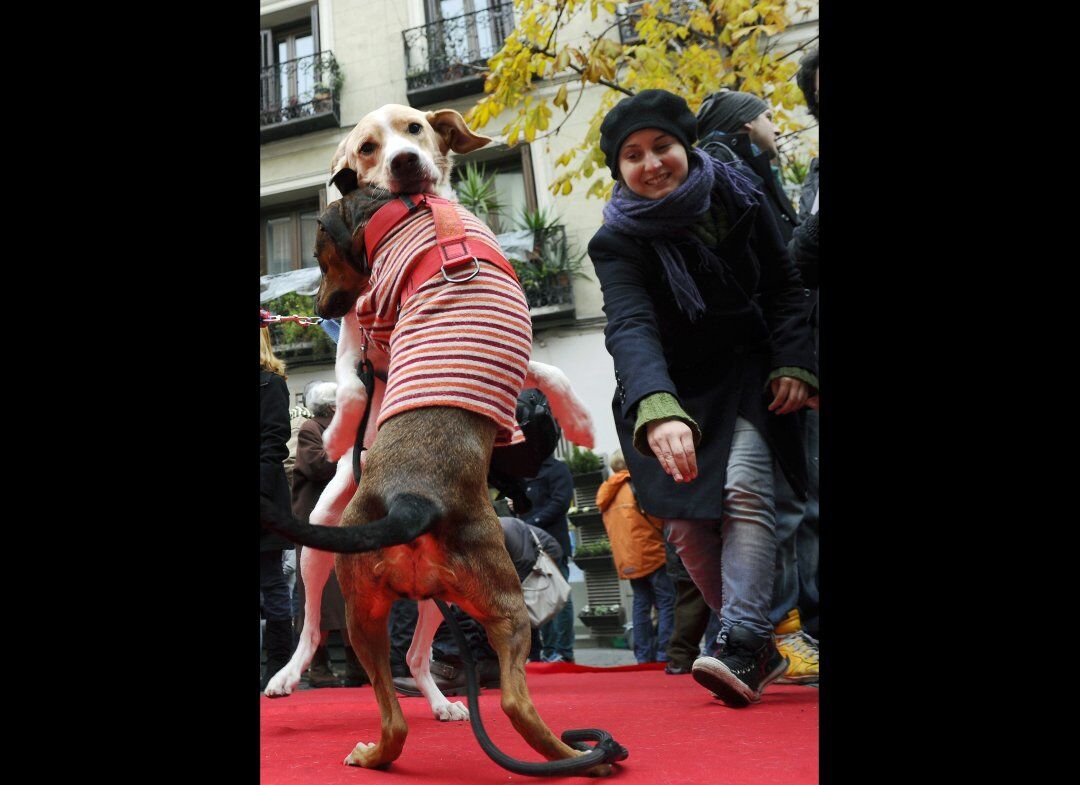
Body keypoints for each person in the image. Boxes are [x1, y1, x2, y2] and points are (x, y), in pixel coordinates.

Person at [588, 89, 817, 707]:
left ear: (685, 145)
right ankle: (758, 644)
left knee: (744, 486)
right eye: (632, 155)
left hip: (747, 372)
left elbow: (786, 287)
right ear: (619, 170)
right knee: (687, 528)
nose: (651, 163)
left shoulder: (739, 193)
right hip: (667, 387)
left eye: (662, 146)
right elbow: (630, 325)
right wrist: (658, 408)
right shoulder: (615, 242)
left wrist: (795, 360)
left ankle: (741, 637)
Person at [696, 84, 821, 680]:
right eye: (767, 115)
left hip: (775, 362)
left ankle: (761, 632)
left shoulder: (746, 167)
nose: (777, 123)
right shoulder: (734, 170)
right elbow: (778, 276)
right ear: (745, 125)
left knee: (783, 497)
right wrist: (789, 360)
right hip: (768, 368)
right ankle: (770, 634)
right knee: (782, 498)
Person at [291, 380, 368, 688]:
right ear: (334, 406)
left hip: (347, 522)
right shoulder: (312, 428)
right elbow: (317, 466)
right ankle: (318, 665)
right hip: (318, 525)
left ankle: (356, 663)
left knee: (353, 594)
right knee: (318, 598)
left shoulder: (352, 431)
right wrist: (353, 453)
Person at [596, 449, 675, 664]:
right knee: (666, 601)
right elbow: (658, 518)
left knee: (641, 603)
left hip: (626, 558)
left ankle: (643, 655)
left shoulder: (606, 493)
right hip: (651, 552)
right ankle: (664, 652)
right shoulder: (636, 484)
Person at [695, 90, 799, 243]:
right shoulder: (726, 175)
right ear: (747, 121)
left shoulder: (747, 169)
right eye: (768, 117)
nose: (777, 129)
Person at [260, 327, 297, 691]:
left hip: (265, 502)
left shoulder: (270, 383)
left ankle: (278, 668)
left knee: (272, 583)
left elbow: (274, 443)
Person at [522, 454, 576, 663]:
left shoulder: (557, 469)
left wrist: (532, 521)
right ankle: (549, 649)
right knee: (540, 595)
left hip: (553, 543)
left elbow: (561, 502)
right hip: (532, 544)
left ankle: (563, 651)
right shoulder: (526, 473)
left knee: (560, 595)